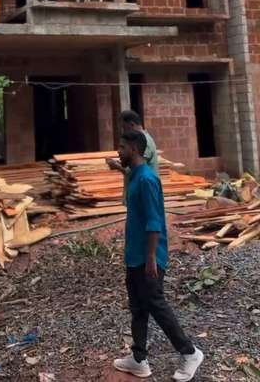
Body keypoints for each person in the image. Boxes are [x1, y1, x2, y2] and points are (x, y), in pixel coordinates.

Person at [113, 130, 203, 381]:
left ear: (134, 148)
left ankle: (190, 353)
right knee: (138, 307)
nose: (118, 151)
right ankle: (139, 359)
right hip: (135, 256)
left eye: (121, 147)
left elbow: (154, 222)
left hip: (148, 257)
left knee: (155, 304)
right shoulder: (135, 177)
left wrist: (152, 257)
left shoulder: (147, 180)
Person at [107, 110, 158, 203]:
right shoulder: (141, 139)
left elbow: (137, 168)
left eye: (123, 127)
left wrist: (117, 166)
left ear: (131, 125)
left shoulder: (143, 142)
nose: (119, 151)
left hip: (143, 192)